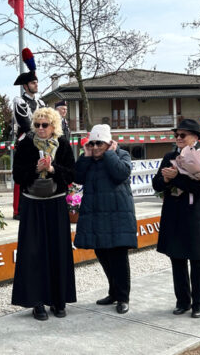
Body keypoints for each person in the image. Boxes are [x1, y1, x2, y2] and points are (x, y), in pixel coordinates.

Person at [11, 107, 76, 320]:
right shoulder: (24, 145)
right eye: (37, 124)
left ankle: (59, 301)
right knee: (33, 253)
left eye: (44, 125)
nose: (40, 128)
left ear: (53, 126)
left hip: (55, 204)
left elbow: (72, 175)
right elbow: (18, 176)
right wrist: (35, 168)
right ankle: (37, 302)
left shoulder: (64, 145)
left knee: (58, 251)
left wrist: (53, 169)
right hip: (32, 204)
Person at [151, 119, 200, 319]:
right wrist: (167, 179)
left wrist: (177, 177)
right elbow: (157, 184)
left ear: (195, 138)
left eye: (182, 135)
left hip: (196, 214)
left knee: (198, 259)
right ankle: (183, 301)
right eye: (176, 135)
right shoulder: (169, 156)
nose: (178, 138)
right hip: (174, 212)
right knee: (177, 258)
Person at [73, 124, 136, 314]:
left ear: (109, 143)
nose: (95, 147)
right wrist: (85, 156)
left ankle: (123, 297)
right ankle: (113, 292)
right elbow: (77, 177)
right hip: (97, 215)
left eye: (99, 143)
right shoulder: (89, 159)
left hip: (118, 215)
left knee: (118, 257)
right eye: (92, 143)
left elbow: (120, 173)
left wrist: (110, 153)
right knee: (103, 255)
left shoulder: (121, 155)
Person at [12, 48, 45, 220]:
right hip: (26, 141)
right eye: (33, 83)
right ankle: (18, 209)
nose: (36, 85)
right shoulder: (19, 101)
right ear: (25, 86)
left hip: (41, 141)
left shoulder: (41, 102)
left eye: (37, 83)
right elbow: (26, 124)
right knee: (22, 175)